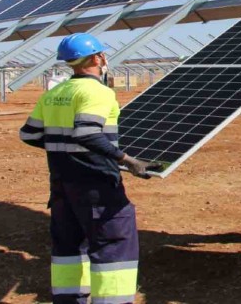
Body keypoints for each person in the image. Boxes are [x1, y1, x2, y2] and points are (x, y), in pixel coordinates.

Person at [19, 33, 158, 304]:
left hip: (62, 184)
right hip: (96, 185)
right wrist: (128, 160)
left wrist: (64, 151)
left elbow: (29, 135)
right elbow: (87, 133)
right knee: (113, 247)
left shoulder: (54, 93)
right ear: (97, 57)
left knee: (69, 248)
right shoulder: (97, 91)